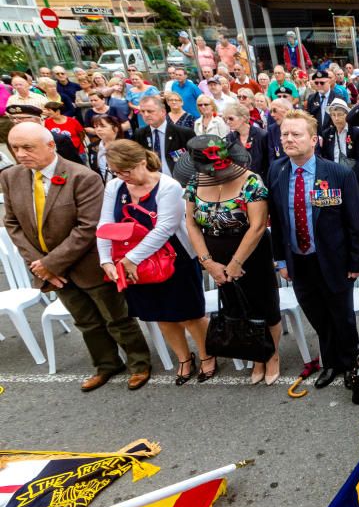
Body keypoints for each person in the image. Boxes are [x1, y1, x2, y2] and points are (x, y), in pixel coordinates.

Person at [1, 123, 152, 391]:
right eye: (16, 148)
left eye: (28, 147)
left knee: (116, 318)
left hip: (87, 264)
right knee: (85, 321)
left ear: (50, 146)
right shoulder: (11, 177)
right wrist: (40, 264)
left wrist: (51, 263)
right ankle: (106, 365)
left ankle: (139, 364)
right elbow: (12, 224)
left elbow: (88, 227)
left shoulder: (82, 177)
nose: (21, 154)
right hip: (51, 270)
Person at [98, 139, 210, 385]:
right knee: (161, 315)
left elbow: (165, 228)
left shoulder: (168, 186)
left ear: (141, 162)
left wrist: (130, 259)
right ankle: (184, 358)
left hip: (173, 257)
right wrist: (106, 260)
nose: (121, 176)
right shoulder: (115, 186)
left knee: (190, 314)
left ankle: (206, 354)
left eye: (125, 171)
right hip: (133, 264)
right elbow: (105, 225)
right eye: (116, 172)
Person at [268, 110, 359, 388]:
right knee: (318, 316)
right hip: (299, 261)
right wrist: (279, 260)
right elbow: (276, 219)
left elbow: (353, 222)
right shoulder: (277, 169)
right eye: (285, 134)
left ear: (314, 140)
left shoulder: (338, 174)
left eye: (295, 134)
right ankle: (331, 362)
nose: (288, 139)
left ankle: (349, 364)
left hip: (334, 260)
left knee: (342, 317)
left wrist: (356, 262)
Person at [176, 136, 281, 385]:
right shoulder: (194, 181)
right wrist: (208, 262)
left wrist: (236, 264)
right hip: (214, 255)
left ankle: (272, 355)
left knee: (265, 306)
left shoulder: (251, 181)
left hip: (251, 253)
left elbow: (257, 227)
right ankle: (257, 356)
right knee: (236, 308)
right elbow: (190, 223)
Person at [133, 96, 196, 177]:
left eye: (150, 111)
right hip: (151, 180)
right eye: (142, 111)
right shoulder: (139, 134)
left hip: (178, 180)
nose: (146, 115)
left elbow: (194, 160)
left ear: (163, 112)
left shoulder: (184, 133)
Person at [7, 103, 83, 165]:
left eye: (21, 118)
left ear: (37, 119)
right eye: (13, 118)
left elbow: (74, 164)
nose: (16, 121)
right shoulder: (14, 140)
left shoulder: (58, 139)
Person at [319, 98, 359, 188]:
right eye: (333, 115)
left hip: (351, 176)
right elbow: (325, 157)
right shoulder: (326, 134)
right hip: (332, 177)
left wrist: (353, 178)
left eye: (340, 115)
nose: (336, 118)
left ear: (347, 115)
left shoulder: (357, 133)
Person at [223, 103, 271, 180]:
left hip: (261, 180)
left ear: (243, 118)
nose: (228, 122)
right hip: (239, 181)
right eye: (225, 119)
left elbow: (269, 161)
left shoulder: (262, 135)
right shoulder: (230, 137)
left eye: (231, 118)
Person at [306, 70, 336, 135]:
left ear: (329, 82)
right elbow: (308, 118)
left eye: (322, 83)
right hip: (316, 135)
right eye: (316, 83)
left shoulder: (337, 98)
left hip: (332, 135)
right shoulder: (312, 98)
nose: (319, 85)